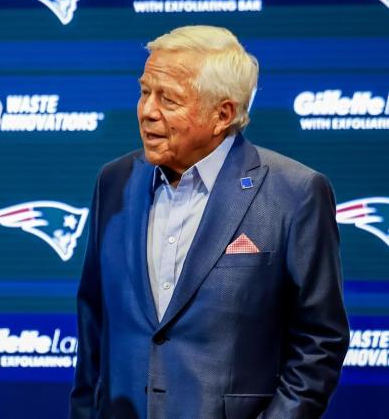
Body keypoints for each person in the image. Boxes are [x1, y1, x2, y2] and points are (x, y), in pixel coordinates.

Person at [70, 25, 349, 419]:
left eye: (168, 99)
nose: (147, 111)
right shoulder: (115, 182)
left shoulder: (295, 193)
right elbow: (93, 327)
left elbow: (320, 341)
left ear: (222, 114)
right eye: (145, 92)